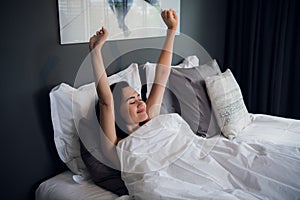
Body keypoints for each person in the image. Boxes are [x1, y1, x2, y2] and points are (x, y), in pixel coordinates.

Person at [89, 9, 178, 145]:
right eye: (131, 101)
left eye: (139, 98)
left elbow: (162, 75)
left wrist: (171, 30)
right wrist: (95, 51)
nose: (141, 103)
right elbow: (105, 101)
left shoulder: (150, 121)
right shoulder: (115, 145)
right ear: (116, 113)